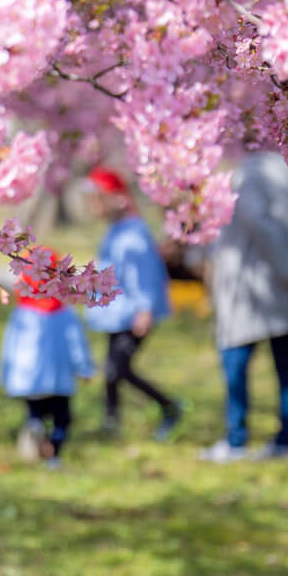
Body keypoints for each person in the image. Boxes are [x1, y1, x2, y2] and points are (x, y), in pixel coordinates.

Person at [201, 152, 288, 462]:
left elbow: (259, 224)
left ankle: (237, 440)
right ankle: (284, 440)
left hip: (250, 289)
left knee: (235, 361)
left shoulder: (252, 171)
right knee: (286, 367)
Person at [86, 167, 183, 439]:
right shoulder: (115, 230)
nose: (94, 206)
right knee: (111, 370)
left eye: (98, 199)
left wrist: (145, 309)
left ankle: (170, 407)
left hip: (132, 314)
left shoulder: (133, 234)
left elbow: (143, 274)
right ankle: (111, 420)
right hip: (116, 313)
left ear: (118, 199)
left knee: (119, 368)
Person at [0, 249, 95, 466]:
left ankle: (35, 429)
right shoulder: (64, 312)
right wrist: (84, 368)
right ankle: (54, 454)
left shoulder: (21, 312)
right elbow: (76, 343)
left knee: (36, 412)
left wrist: (6, 374)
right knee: (63, 418)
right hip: (58, 378)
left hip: (28, 379)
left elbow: (10, 346)